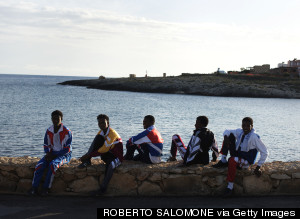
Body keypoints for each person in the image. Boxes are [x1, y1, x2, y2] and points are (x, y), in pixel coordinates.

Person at [213, 117, 268, 197]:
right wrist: (225, 137)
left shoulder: (254, 137)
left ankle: (230, 187)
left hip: (246, 161)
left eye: (247, 126)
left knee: (232, 160)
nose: (245, 128)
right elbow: (227, 130)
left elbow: (265, 152)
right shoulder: (240, 132)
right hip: (238, 155)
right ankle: (223, 160)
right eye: (243, 125)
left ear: (251, 126)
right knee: (229, 135)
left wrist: (258, 167)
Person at [28, 110, 72, 196]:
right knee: (39, 166)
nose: (55, 120)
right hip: (51, 154)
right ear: (51, 119)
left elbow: (67, 149)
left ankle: (46, 188)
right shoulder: (49, 130)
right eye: (54, 118)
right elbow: (46, 144)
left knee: (53, 165)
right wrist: (48, 153)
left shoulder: (67, 132)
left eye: (57, 119)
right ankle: (34, 187)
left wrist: (55, 155)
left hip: (64, 155)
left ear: (61, 119)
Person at [78, 114, 123, 195]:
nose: (101, 125)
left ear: (108, 123)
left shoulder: (112, 133)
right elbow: (94, 145)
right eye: (99, 123)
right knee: (97, 138)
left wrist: (88, 155)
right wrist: (87, 155)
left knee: (110, 166)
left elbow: (104, 149)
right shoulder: (101, 132)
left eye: (103, 123)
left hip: (116, 156)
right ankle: (87, 161)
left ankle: (103, 189)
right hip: (107, 154)